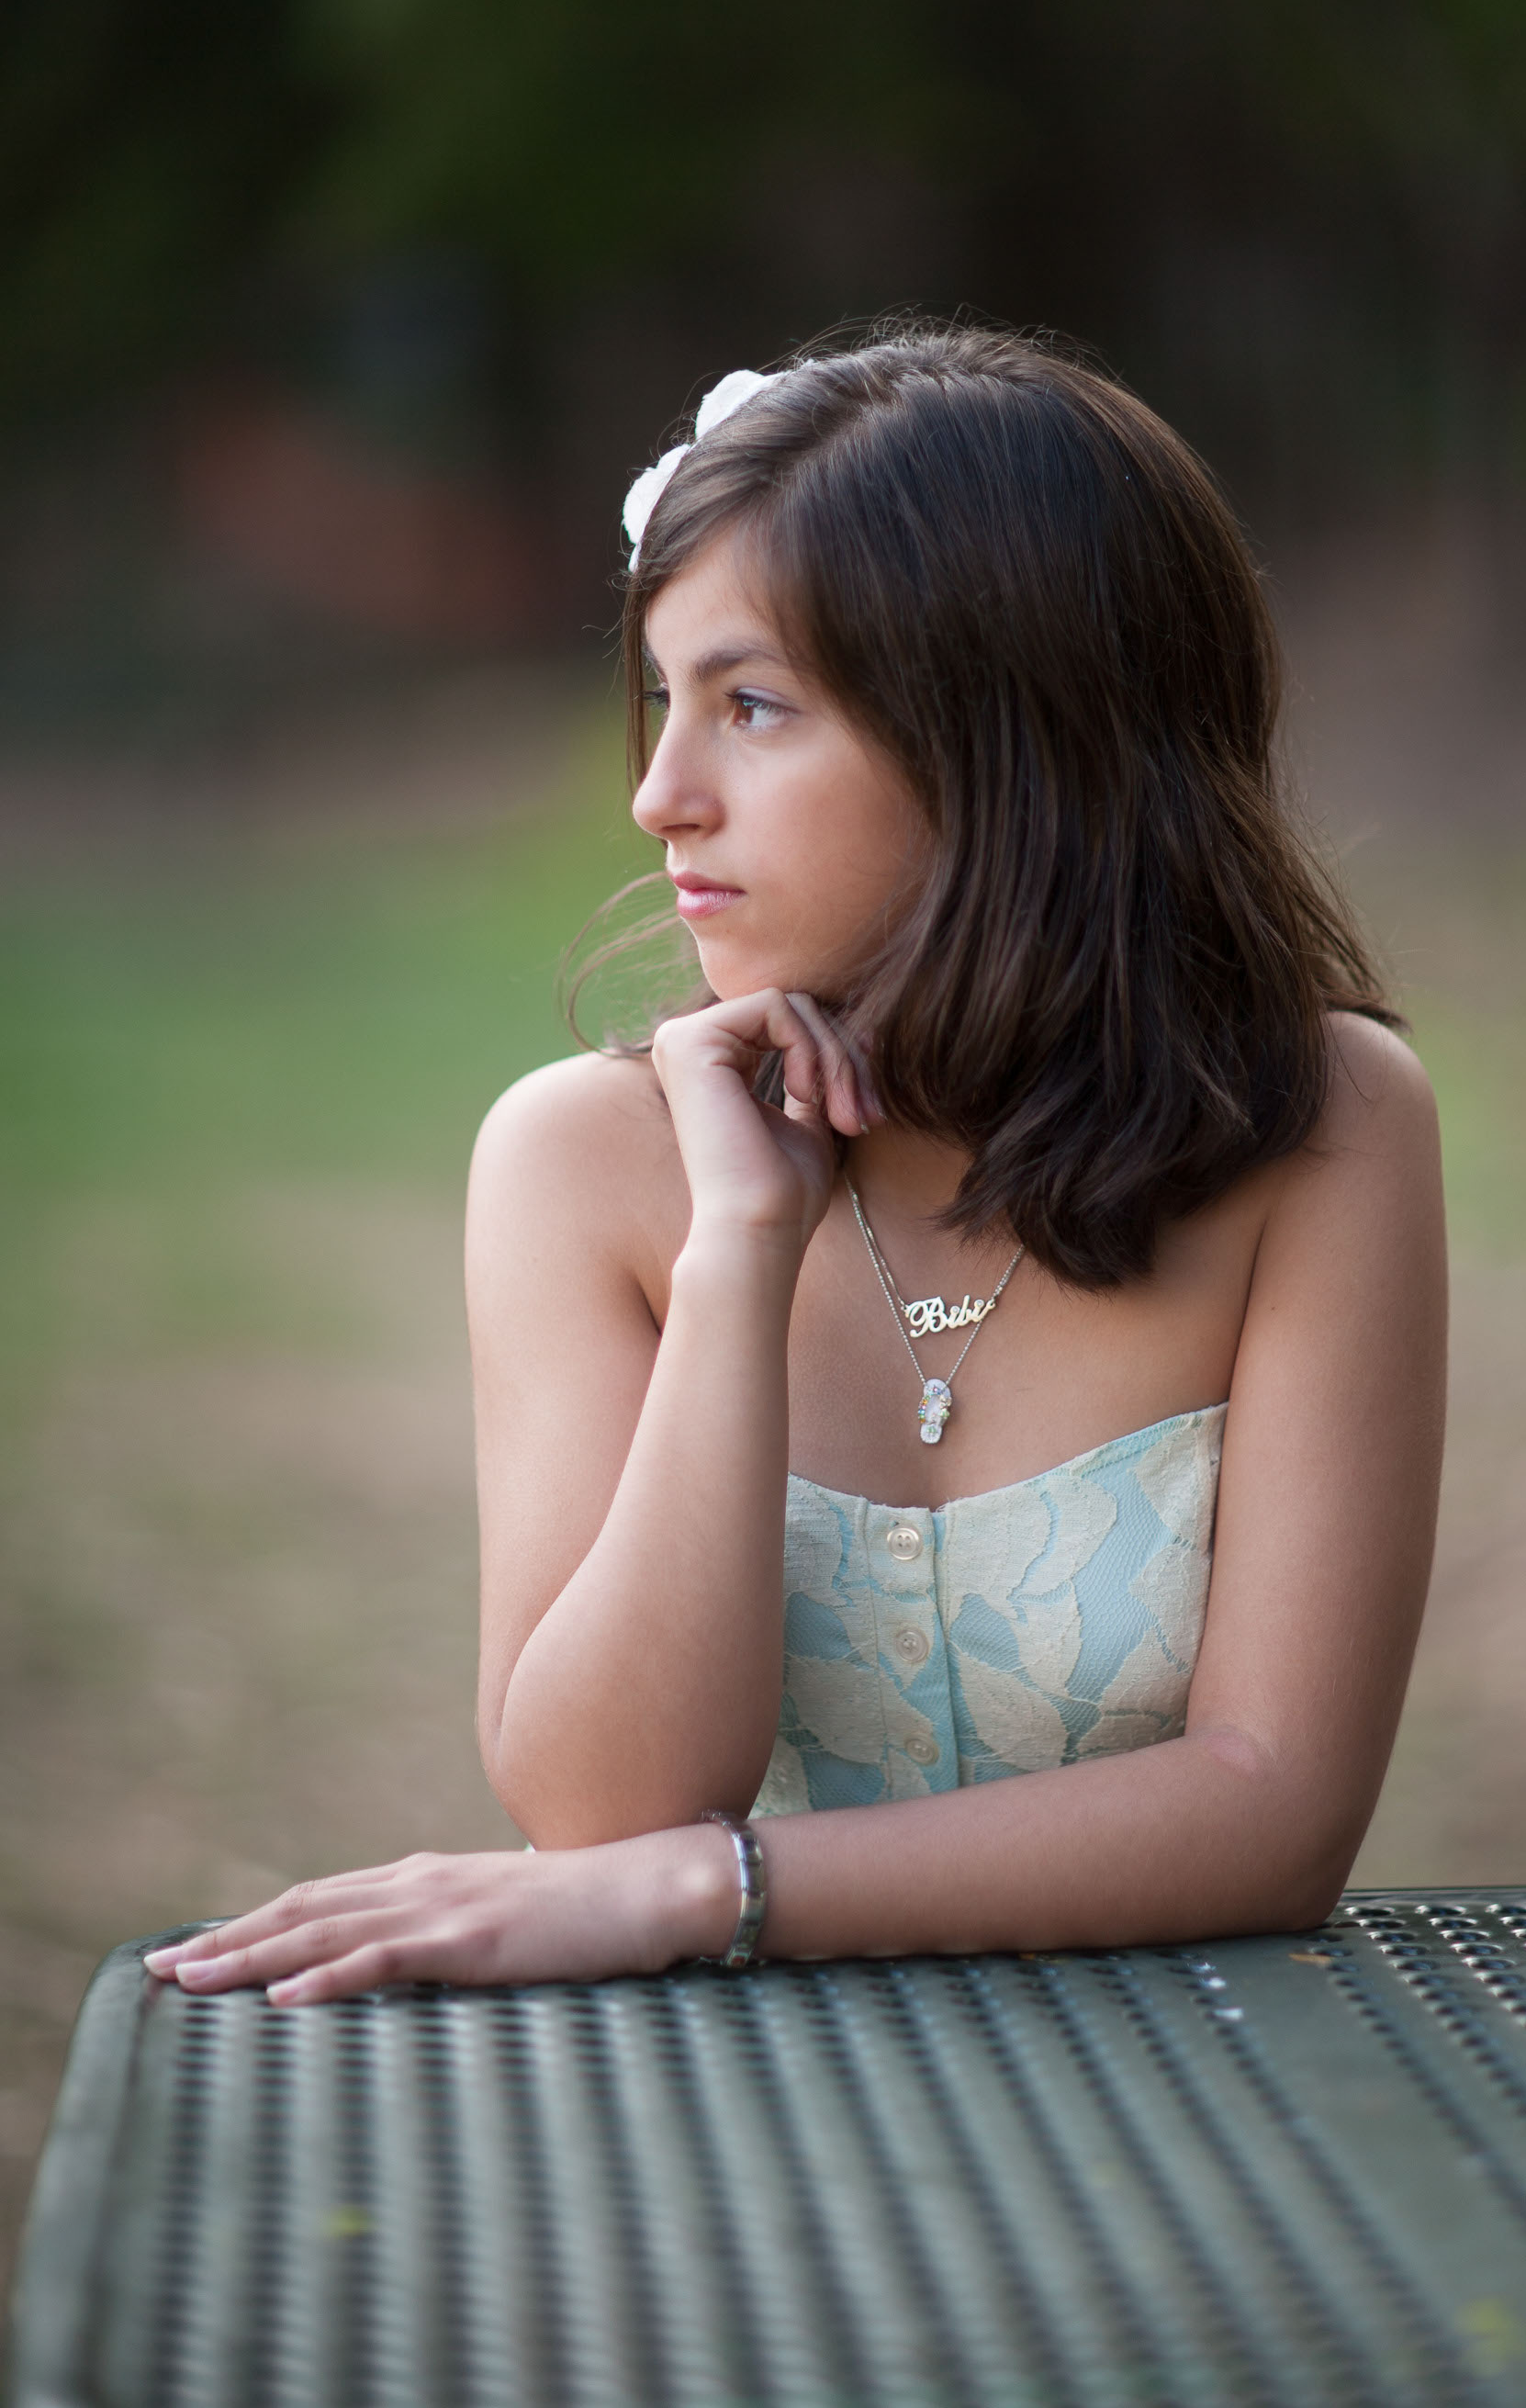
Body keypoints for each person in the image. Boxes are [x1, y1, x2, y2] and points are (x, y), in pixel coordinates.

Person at [147, 324, 1446, 2008]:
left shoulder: (1320, 1125)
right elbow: (601, 1803)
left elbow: (1275, 1813)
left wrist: (719, 1886)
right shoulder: (583, 1165)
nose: (660, 798)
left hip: (1207, 2099)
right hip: (728, 2130)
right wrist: (738, 1257)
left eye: (752, 706)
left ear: (1013, 743)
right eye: (663, 702)